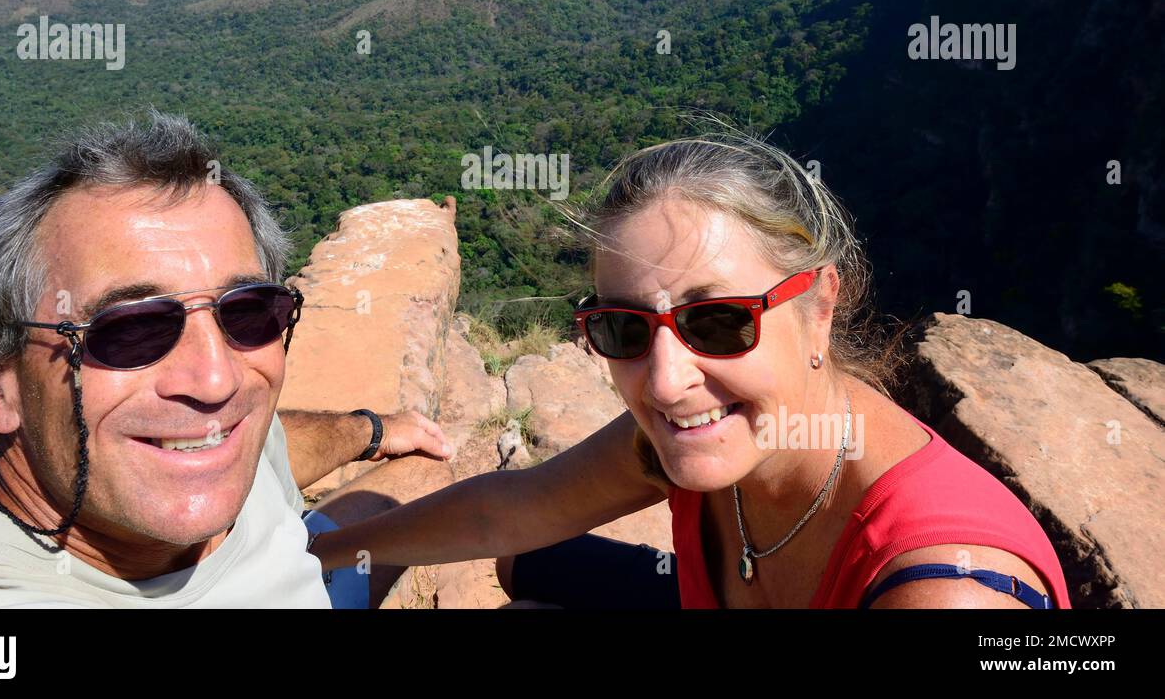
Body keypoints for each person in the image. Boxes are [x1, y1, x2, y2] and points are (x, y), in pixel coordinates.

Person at [311, 129, 1071, 608]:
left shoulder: (946, 586)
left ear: (819, 308)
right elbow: (513, 507)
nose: (667, 380)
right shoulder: (685, 445)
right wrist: (309, 553)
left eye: (718, 321)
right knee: (521, 558)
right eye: (624, 328)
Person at [0, 110, 453, 608]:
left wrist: (373, 430)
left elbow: (271, 447)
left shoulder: (209, 439)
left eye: (248, 311)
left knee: (428, 473)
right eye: (132, 328)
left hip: (308, 565)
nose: (215, 380)